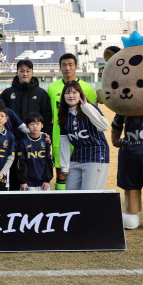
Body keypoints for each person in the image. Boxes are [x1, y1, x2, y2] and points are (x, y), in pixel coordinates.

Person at [48, 53, 97, 190]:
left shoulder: (87, 88)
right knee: (61, 174)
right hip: (59, 137)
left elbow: (94, 114)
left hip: (82, 138)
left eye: (70, 65)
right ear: (60, 67)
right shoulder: (52, 88)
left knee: (81, 173)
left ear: (76, 67)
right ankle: (62, 205)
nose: (67, 68)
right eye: (64, 65)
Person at [58, 80, 110, 191]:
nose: (71, 96)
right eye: (67, 93)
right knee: (71, 193)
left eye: (74, 92)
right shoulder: (63, 114)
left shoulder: (90, 108)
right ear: (63, 96)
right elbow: (64, 141)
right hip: (77, 156)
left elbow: (104, 126)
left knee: (90, 194)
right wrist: (65, 165)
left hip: (96, 154)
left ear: (80, 94)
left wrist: (86, 108)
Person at [2, 59, 52, 136]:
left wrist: (47, 136)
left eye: (28, 71)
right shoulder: (7, 93)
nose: (25, 74)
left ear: (32, 73)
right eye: (22, 71)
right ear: (17, 73)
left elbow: (47, 118)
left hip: (35, 139)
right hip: (12, 138)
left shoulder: (41, 93)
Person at [15, 112, 54, 191]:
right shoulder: (23, 142)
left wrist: (47, 180)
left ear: (42, 125)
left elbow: (49, 161)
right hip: (29, 183)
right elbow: (21, 163)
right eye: (32, 124)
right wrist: (23, 181)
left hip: (43, 182)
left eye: (38, 123)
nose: (35, 126)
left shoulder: (46, 141)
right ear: (27, 126)